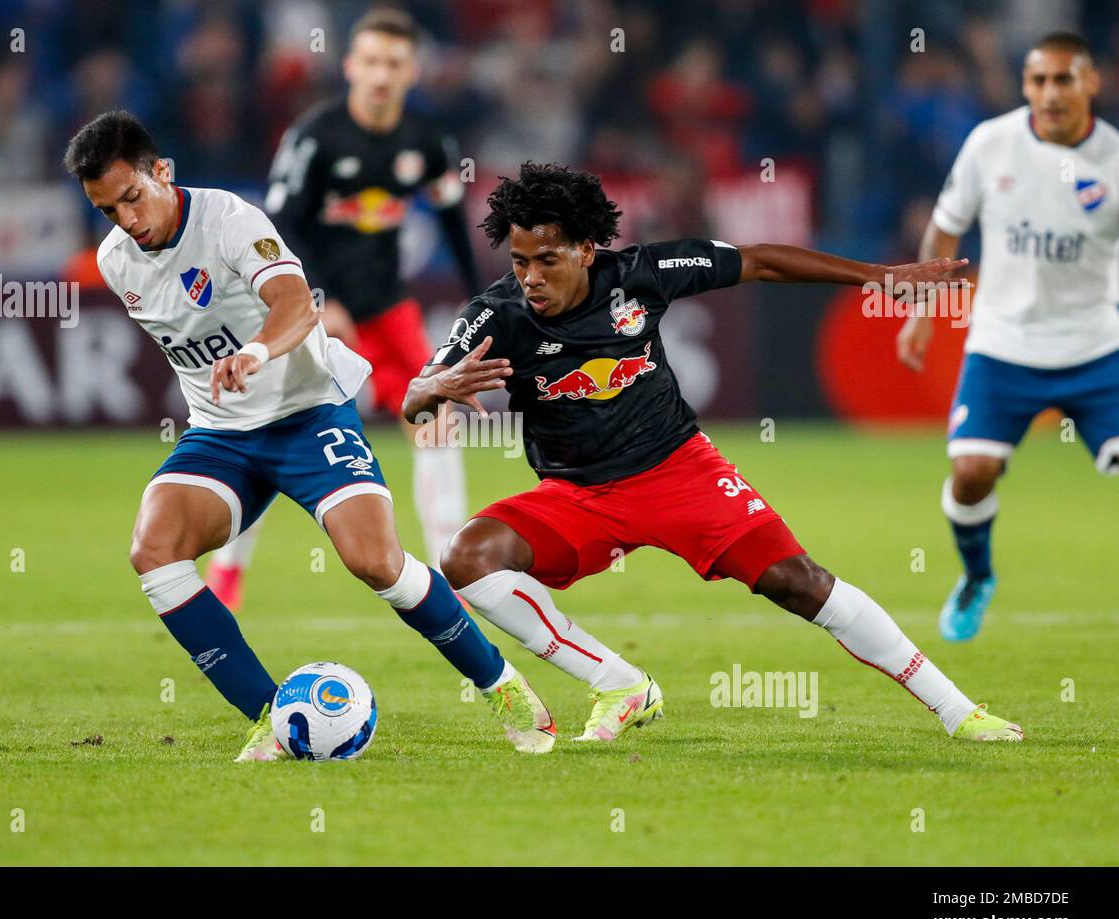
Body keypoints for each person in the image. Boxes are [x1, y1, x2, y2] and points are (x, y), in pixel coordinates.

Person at [405, 161, 1023, 744]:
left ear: (587, 250)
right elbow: (416, 397)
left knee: (798, 582)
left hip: (679, 471)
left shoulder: (641, 274)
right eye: (519, 262)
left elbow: (760, 263)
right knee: (467, 556)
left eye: (547, 259)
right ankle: (619, 684)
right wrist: (435, 389)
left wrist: (879, 278)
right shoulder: (494, 316)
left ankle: (959, 711)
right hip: (576, 496)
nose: (531, 277)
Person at [64, 111, 557, 761]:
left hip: (308, 413)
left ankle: (503, 686)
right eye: (107, 210)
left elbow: (297, 306)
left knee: (375, 562)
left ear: (163, 173)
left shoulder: (230, 222)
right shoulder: (116, 261)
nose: (126, 220)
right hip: (222, 435)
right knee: (153, 549)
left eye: (131, 197)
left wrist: (257, 356)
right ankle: (269, 719)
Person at [204, 7, 479, 611]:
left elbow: (455, 217)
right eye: (372, 61)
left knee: (435, 419)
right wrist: (317, 301)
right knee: (277, 430)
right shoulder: (314, 137)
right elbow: (274, 229)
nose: (382, 75)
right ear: (352, 66)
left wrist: (475, 293)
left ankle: (451, 569)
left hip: (387, 305)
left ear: (412, 72)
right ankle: (228, 570)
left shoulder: (427, 142)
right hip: (311, 310)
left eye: (395, 64)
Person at [896, 31, 1119, 642]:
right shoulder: (990, 144)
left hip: (1097, 347)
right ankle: (977, 577)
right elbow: (945, 230)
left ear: (1090, 83)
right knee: (971, 471)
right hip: (1004, 345)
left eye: (1064, 79)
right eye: (1038, 80)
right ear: (1025, 85)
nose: (1050, 93)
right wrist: (921, 308)